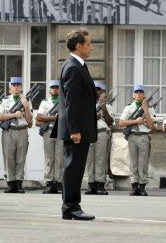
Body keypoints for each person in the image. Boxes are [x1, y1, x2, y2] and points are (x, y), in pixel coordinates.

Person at [51, 29, 97, 220]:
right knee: (73, 168)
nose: (91, 47)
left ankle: (72, 206)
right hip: (76, 130)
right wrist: (75, 130)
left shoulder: (78, 65)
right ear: (79, 46)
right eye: (88, 44)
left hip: (80, 127)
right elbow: (71, 103)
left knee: (75, 168)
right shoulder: (72, 68)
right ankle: (70, 207)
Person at [0, 77, 32, 193]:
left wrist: (26, 107)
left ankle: (19, 182)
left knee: (21, 158)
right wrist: (14, 115)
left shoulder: (26, 101)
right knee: (8, 157)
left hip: (22, 130)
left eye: (18, 85)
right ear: (10, 88)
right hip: (9, 131)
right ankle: (11, 183)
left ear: (21, 87)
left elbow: (30, 122)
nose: (16, 87)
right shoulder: (5, 101)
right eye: (14, 85)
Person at [119, 85, 156, 196]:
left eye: (141, 92)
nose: (139, 94)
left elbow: (152, 128)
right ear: (134, 95)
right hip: (132, 136)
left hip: (144, 136)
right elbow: (121, 123)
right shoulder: (128, 108)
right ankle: (134, 186)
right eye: (136, 92)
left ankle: (142, 185)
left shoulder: (149, 108)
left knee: (143, 162)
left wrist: (146, 112)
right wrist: (135, 121)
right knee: (133, 162)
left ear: (144, 95)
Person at [85, 81, 114, 195]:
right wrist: (93, 117)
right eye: (95, 89)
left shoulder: (108, 106)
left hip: (102, 132)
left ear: (104, 92)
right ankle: (91, 184)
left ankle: (100, 185)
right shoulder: (86, 104)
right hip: (89, 132)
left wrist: (104, 108)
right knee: (89, 159)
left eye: (99, 90)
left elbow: (110, 122)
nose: (97, 92)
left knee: (101, 160)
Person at [36, 80, 64, 194]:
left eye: (57, 87)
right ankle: (49, 182)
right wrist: (53, 118)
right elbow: (39, 117)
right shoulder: (44, 103)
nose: (55, 89)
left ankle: (59, 182)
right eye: (53, 87)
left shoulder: (64, 102)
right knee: (49, 158)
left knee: (60, 158)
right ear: (49, 90)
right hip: (48, 131)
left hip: (60, 131)